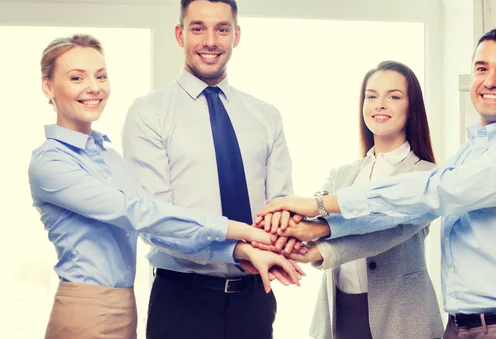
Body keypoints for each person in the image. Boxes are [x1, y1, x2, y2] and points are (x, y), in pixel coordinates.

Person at [260, 25, 496, 338]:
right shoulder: (468, 155)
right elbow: (388, 212)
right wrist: (300, 228)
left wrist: (320, 213)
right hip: (461, 326)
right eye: (481, 68)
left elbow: (422, 199)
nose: (490, 80)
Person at [30, 34, 302, 339]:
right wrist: (244, 231)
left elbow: (162, 225)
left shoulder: (108, 156)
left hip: (124, 304)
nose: (93, 87)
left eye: (101, 76)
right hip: (85, 307)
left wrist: (239, 251)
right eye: (77, 77)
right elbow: (141, 213)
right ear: (48, 86)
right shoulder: (50, 163)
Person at [122, 0, 297, 339]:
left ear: (236, 35)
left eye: (222, 29)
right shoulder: (149, 113)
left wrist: (292, 233)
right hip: (183, 300)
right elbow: (157, 222)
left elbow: (280, 205)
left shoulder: (266, 116)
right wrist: (238, 247)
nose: (210, 41)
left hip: (256, 299)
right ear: (179, 33)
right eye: (198, 28)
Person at [264, 61, 444, 338]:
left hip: (402, 319)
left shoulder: (427, 176)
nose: (380, 104)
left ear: (412, 109)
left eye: (393, 96)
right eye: (371, 96)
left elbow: (385, 230)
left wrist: (321, 249)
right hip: (339, 315)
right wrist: (284, 224)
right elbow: (311, 219)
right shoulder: (342, 175)